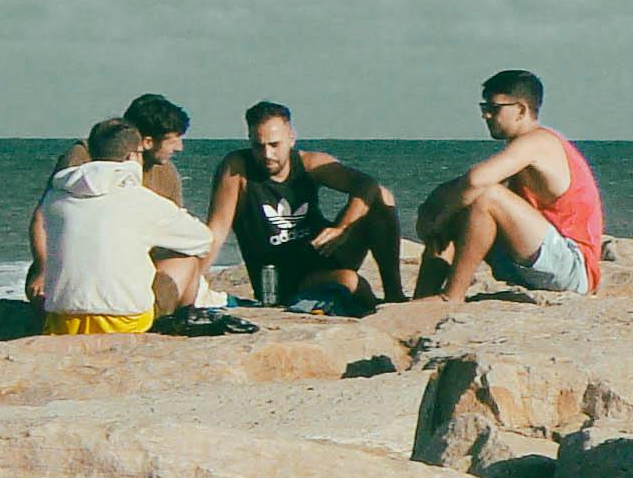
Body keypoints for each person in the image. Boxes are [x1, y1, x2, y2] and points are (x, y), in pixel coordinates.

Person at [199, 101, 404, 314]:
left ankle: (394, 294)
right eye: (259, 146)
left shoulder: (310, 163)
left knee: (383, 198)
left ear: (291, 139)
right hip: (282, 278)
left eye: (274, 145)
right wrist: (195, 283)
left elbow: (366, 184)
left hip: (321, 251)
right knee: (350, 281)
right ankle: (366, 307)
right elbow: (217, 230)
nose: (267, 154)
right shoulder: (237, 169)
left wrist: (342, 229)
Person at [420, 69, 604, 303]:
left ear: (521, 110)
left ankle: (452, 296)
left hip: (574, 269)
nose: (486, 115)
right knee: (461, 208)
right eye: (484, 108)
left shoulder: (539, 141)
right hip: (538, 261)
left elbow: (476, 180)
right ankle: (422, 299)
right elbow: (462, 188)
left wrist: (439, 218)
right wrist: (432, 208)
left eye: (493, 108)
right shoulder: (520, 151)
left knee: (487, 196)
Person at [33, 119, 215, 335]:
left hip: (62, 321)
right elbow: (203, 240)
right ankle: (184, 320)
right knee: (187, 261)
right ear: (133, 156)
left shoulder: (56, 196)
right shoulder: (140, 200)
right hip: (127, 322)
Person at [28, 94, 192, 301]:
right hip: (73, 273)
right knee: (189, 262)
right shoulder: (83, 158)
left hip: (125, 273)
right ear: (148, 142)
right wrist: (43, 269)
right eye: (174, 139)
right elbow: (42, 219)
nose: (180, 147)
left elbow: (172, 234)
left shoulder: (166, 172)